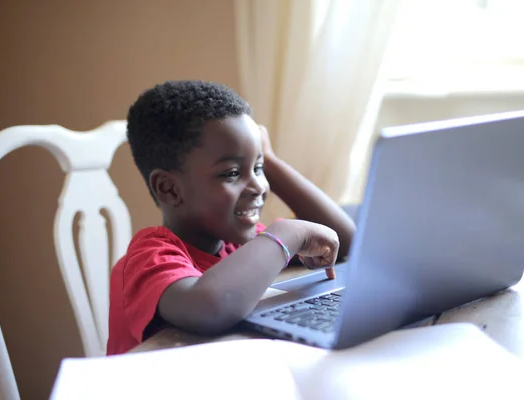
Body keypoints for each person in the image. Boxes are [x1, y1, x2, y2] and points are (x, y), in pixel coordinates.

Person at [107, 80, 356, 355]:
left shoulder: (237, 245)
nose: (259, 186)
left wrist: (270, 160)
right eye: (231, 173)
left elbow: (344, 243)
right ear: (169, 188)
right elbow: (210, 307)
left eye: (258, 168)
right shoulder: (150, 256)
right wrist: (288, 233)